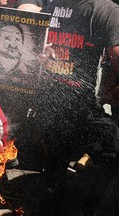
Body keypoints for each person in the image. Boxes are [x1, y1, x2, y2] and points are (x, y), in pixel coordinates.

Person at [35, 0, 119, 215]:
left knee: (55, 165)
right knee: (110, 157)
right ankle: (90, 207)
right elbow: (117, 55)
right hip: (87, 104)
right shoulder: (105, 9)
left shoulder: (54, 4)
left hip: (56, 100)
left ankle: (52, 209)